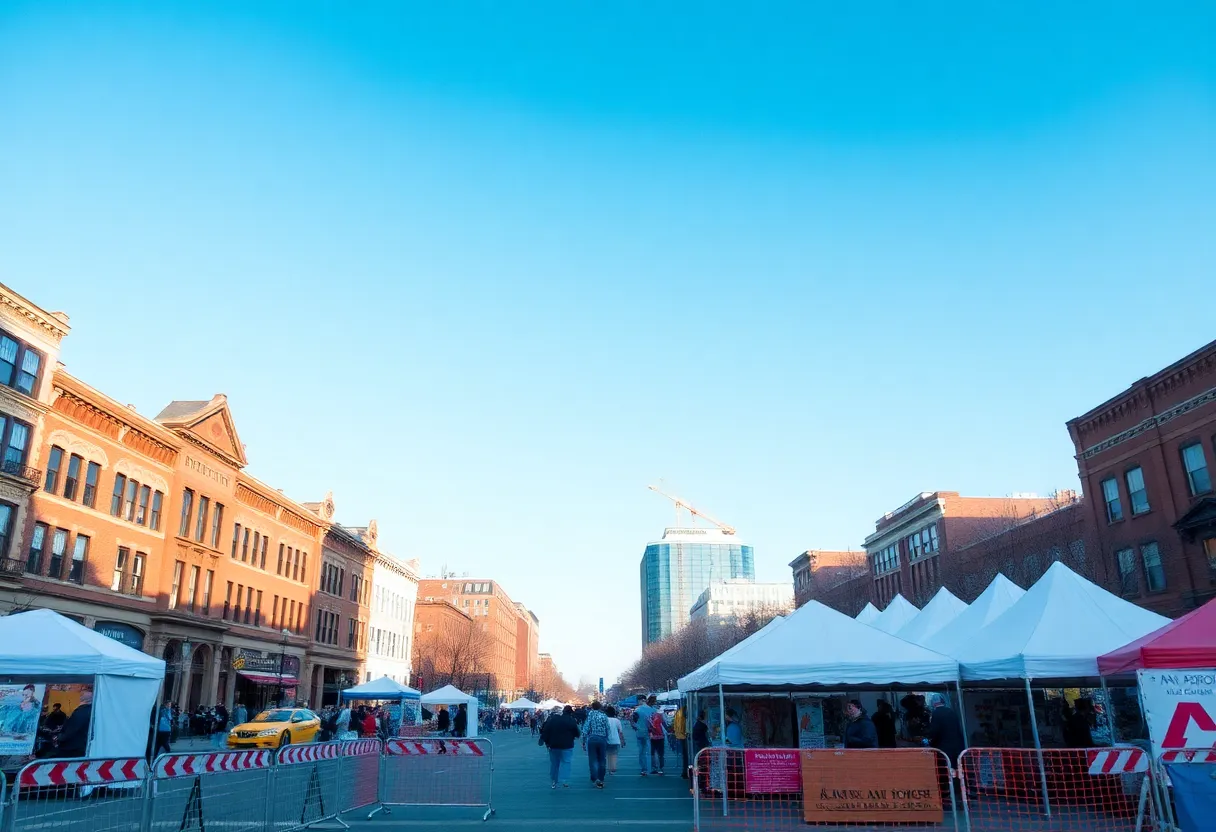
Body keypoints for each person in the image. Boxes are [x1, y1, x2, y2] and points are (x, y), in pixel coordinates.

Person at [540, 705, 580, 789]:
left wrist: (543, 740)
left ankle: (554, 781)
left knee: (554, 763)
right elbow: (577, 732)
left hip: (554, 744)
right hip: (567, 744)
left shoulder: (553, 720)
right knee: (566, 762)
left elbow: (546, 730)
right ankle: (565, 780)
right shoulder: (571, 720)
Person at [55, 690, 93, 757]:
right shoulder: (91, 710)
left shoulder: (80, 712)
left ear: (82, 698)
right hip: (84, 745)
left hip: (73, 747)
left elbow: (72, 729)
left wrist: (60, 737)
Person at [582, 702, 610, 789]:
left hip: (592, 738)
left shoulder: (590, 715)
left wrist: (583, 741)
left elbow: (586, 728)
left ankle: (594, 777)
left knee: (593, 759)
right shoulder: (604, 716)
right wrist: (607, 738)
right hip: (602, 739)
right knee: (602, 759)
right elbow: (608, 728)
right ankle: (601, 778)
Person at [633, 695, 657, 776]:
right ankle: (653, 768)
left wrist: (636, 727)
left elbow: (633, 722)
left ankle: (644, 769)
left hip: (640, 732)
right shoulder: (653, 710)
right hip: (651, 733)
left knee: (642, 751)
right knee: (651, 750)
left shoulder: (637, 710)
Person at [647, 700, 667, 775]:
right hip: (660, 736)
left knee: (653, 753)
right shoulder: (660, 716)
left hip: (652, 737)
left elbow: (648, 727)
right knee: (661, 753)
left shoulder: (649, 716)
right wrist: (668, 730)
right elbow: (664, 724)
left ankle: (654, 768)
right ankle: (661, 768)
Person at [605, 705, 625, 776]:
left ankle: (609, 768)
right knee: (614, 755)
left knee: (607, 755)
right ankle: (613, 768)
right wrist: (623, 741)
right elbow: (620, 732)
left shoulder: (605, 720)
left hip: (606, 740)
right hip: (616, 740)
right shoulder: (617, 721)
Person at [672, 705, 689, 779]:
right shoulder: (684, 712)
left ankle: (685, 771)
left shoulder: (679, 712)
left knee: (685, 755)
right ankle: (686, 771)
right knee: (686, 755)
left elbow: (675, 724)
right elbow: (682, 726)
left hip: (680, 735)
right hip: (684, 736)